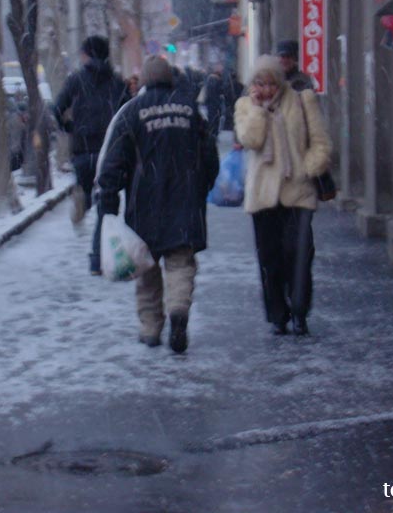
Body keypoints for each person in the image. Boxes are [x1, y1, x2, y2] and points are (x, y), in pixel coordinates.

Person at [97, 56, 219, 353]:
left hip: (144, 203)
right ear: (171, 79)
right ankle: (178, 310)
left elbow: (113, 162)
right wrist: (201, 186)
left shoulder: (132, 111)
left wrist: (109, 201)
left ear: (146, 81)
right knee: (180, 262)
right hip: (185, 201)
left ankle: (151, 327)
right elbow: (210, 157)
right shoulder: (190, 109)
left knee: (146, 267)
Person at [234, 55, 332, 336]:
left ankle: (300, 311)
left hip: (297, 192)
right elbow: (250, 140)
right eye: (259, 83)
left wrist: (307, 168)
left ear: (280, 82)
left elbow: (321, 143)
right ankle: (278, 314)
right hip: (263, 196)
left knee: (299, 255)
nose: (265, 89)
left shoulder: (303, 101)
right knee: (270, 260)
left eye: (270, 83)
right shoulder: (244, 106)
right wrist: (258, 110)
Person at [53, 35, 128, 275]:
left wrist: (70, 128)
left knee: (86, 188)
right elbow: (127, 114)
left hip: (82, 148)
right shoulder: (117, 83)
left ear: (88, 55)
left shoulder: (76, 80)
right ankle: (97, 261)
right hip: (109, 153)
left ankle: (83, 199)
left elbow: (56, 108)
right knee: (107, 206)